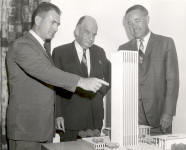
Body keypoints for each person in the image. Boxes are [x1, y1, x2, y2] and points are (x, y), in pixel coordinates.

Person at [6, 3, 109, 150]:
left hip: (42, 129)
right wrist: (81, 82)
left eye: (58, 24)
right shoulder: (22, 46)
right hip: (26, 130)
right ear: (38, 20)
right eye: (52, 22)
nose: (56, 28)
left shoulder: (42, 49)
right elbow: (46, 72)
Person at [118, 4, 179, 135]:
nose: (133, 26)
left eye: (137, 20)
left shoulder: (166, 43)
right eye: (129, 23)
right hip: (132, 120)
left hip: (159, 118)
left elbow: (173, 81)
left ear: (148, 19)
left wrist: (168, 113)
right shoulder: (122, 49)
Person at [52, 16, 111, 141]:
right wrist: (58, 114)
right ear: (77, 31)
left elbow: (110, 78)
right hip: (70, 120)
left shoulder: (100, 52)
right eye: (87, 32)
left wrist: (99, 94)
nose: (91, 38)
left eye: (94, 35)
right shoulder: (60, 52)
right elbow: (55, 87)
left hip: (95, 120)